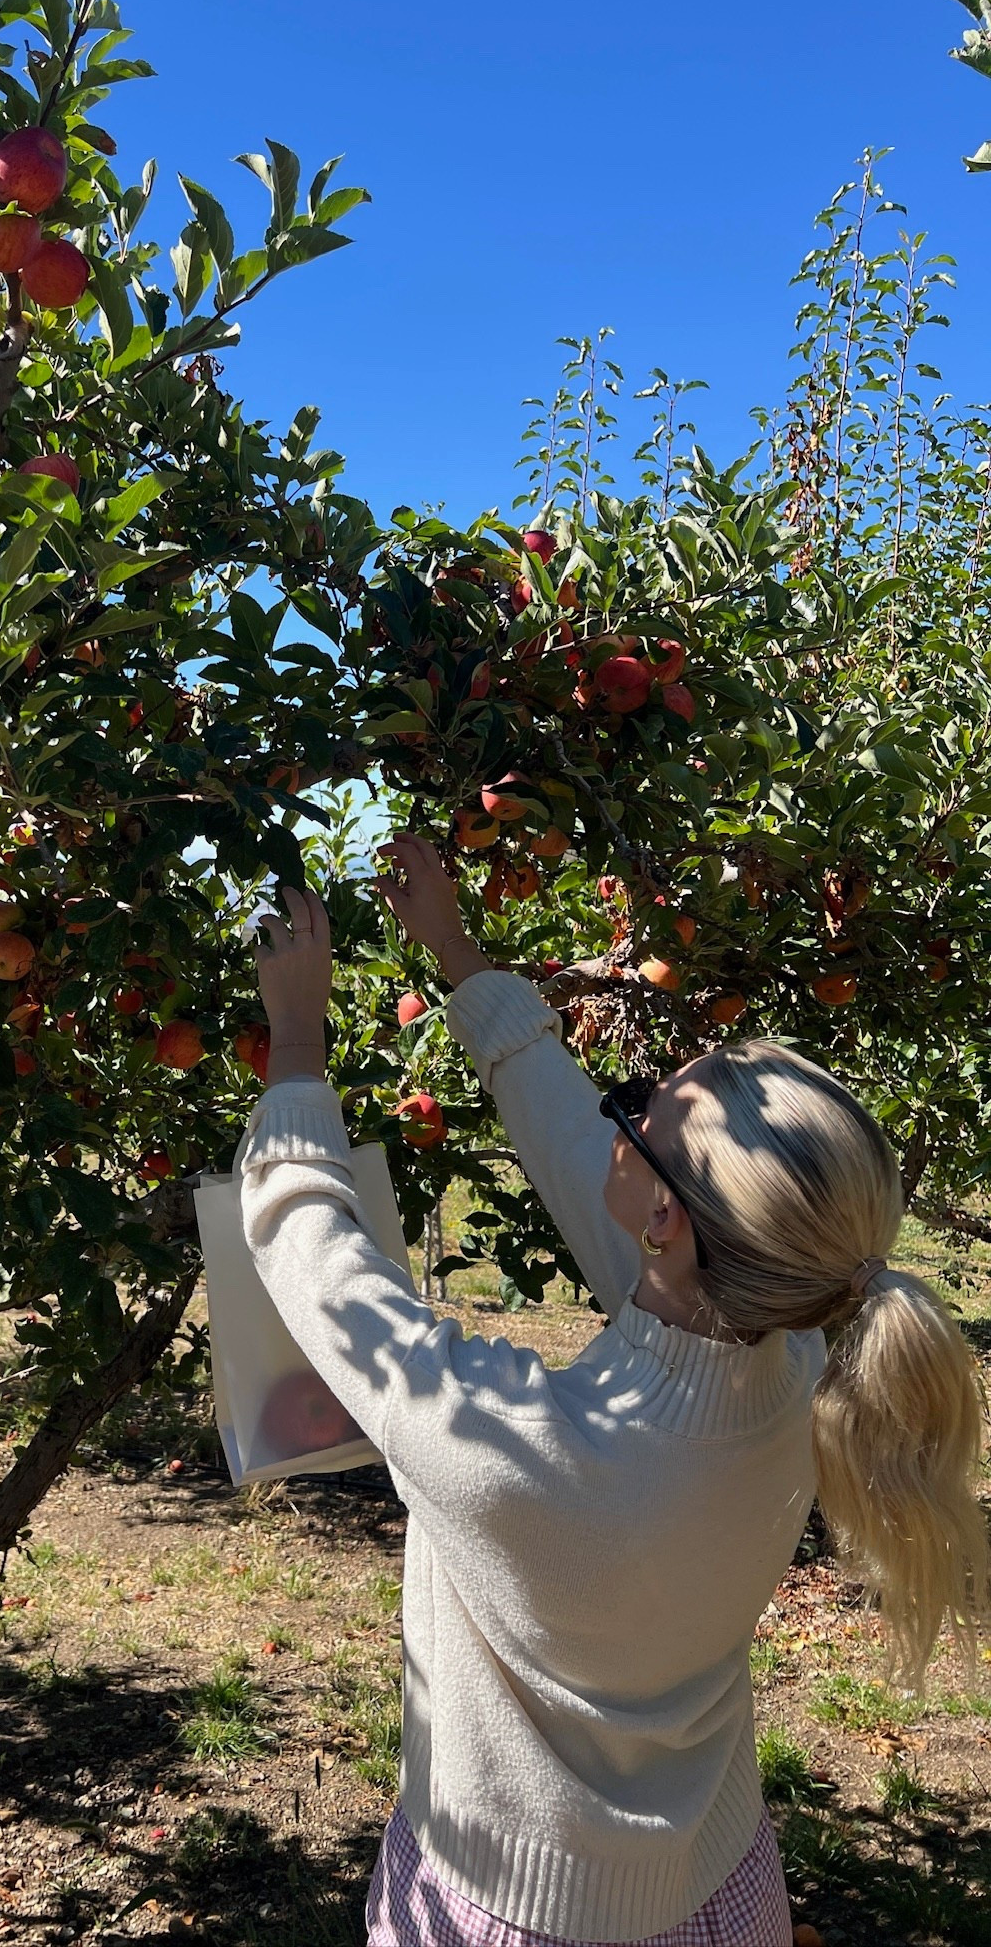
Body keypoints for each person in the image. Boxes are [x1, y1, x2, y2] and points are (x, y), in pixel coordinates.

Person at [237, 832, 989, 1947]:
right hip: (718, 1882)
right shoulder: (800, 1365)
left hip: (510, 1906)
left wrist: (296, 1039)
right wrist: (455, 950)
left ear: (669, 1221)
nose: (610, 1117)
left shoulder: (516, 1448)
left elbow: (310, 1252)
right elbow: (575, 1144)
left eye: (633, 1105)